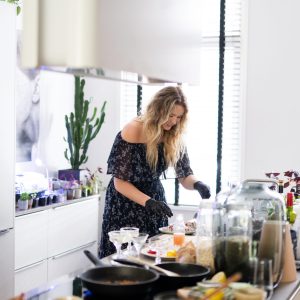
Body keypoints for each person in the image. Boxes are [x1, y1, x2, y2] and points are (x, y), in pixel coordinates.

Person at [99, 86, 211, 258]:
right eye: (170, 115)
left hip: (154, 203)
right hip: (125, 204)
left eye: (179, 117)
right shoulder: (134, 129)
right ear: (158, 110)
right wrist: (148, 202)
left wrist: (197, 184)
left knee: (154, 256)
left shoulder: (173, 133)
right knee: (124, 258)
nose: (174, 121)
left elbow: (184, 175)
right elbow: (119, 182)